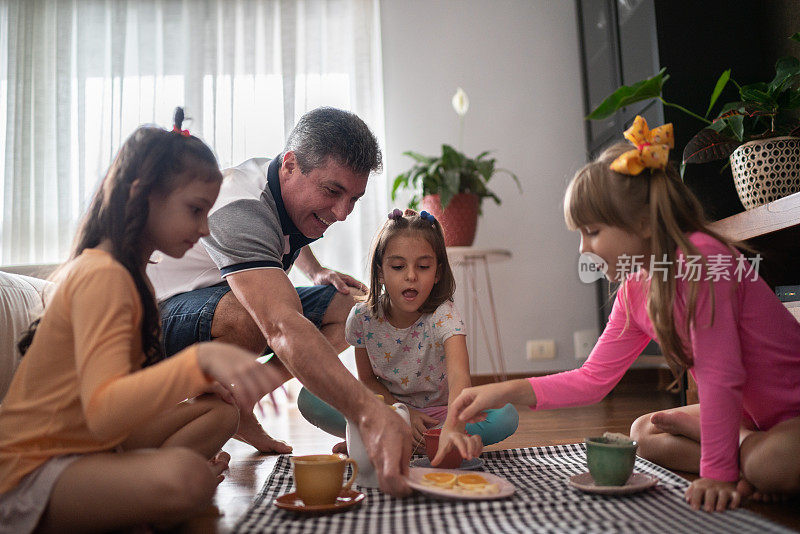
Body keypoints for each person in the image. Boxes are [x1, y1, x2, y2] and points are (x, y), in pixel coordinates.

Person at [449, 116, 800, 513]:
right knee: (642, 433)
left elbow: (722, 375)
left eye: (593, 231)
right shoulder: (636, 289)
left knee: (769, 463)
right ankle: (742, 448)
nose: (583, 249)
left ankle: (742, 453)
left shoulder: (702, 259)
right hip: (752, 415)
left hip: (791, 413)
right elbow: (593, 380)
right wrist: (506, 389)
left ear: (640, 224)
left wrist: (717, 474)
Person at [0, 109, 285, 533]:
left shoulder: (130, 278)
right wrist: (199, 361)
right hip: (31, 470)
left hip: (89, 445)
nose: (205, 228)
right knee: (188, 480)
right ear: (144, 195)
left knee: (222, 412)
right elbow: (104, 412)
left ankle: (134, 490)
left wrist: (196, 383)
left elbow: (115, 402)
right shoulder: (103, 275)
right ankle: (145, 491)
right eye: (194, 209)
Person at [146, 107, 413, 495]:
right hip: (162, 315)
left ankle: (244, 401)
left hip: (215, 297)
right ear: (290, 165)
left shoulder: (283, 190)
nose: (341, 213)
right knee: (256, 318)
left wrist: (316, 271)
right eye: (332, 191)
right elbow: (281, 326)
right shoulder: (241, 207)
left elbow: (286, 236)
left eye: (354, 198)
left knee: (359, 307)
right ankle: (210, 412)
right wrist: (370, 414)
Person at [297, 209, 518, 464]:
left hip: (439, 416)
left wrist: (455, 425)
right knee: (309, 397)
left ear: (437, 273)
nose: (411, 275)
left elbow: (460, 376)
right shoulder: (362, 317)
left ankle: (382, 438)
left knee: (507, 416)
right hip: (385, 409)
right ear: (380, 271)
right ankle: (398, 435)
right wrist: (403, 413)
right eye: (398, 266)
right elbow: (367, 379)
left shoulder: (444, 314)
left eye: (423, 267)